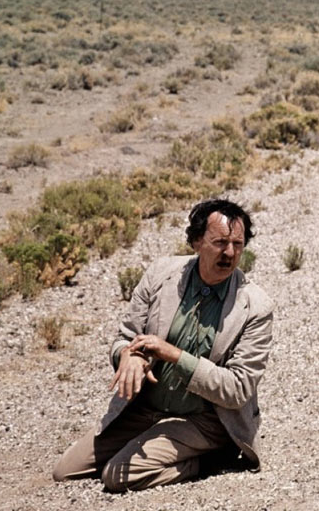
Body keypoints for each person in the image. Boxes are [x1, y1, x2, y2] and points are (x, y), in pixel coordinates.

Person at [53, 199, 273, 492]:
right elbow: (124, 337)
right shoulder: (160, 275)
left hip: (205, 419)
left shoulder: (256, 306)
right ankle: (160, 443)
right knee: (65, 470)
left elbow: (237, 389)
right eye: (220, 242)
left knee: (116, 476)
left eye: (238, 243)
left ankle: (208, 460)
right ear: (197, 241)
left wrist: (174, 355)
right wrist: (127, 356)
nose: (230, 253)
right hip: (146, 409)